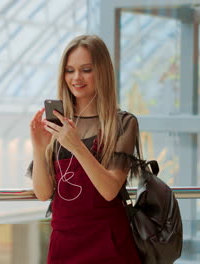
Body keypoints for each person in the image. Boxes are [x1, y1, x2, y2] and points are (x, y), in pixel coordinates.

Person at [27, 35, 142, 263]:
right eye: (69, 70)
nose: (76, 78)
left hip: (108, 244)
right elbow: (43, 193)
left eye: (86, 69)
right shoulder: (58, 123)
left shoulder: (123, 123)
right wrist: (39, 148)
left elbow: (109, 190)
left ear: (102, 71)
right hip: (64, 243)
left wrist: (77, 146)